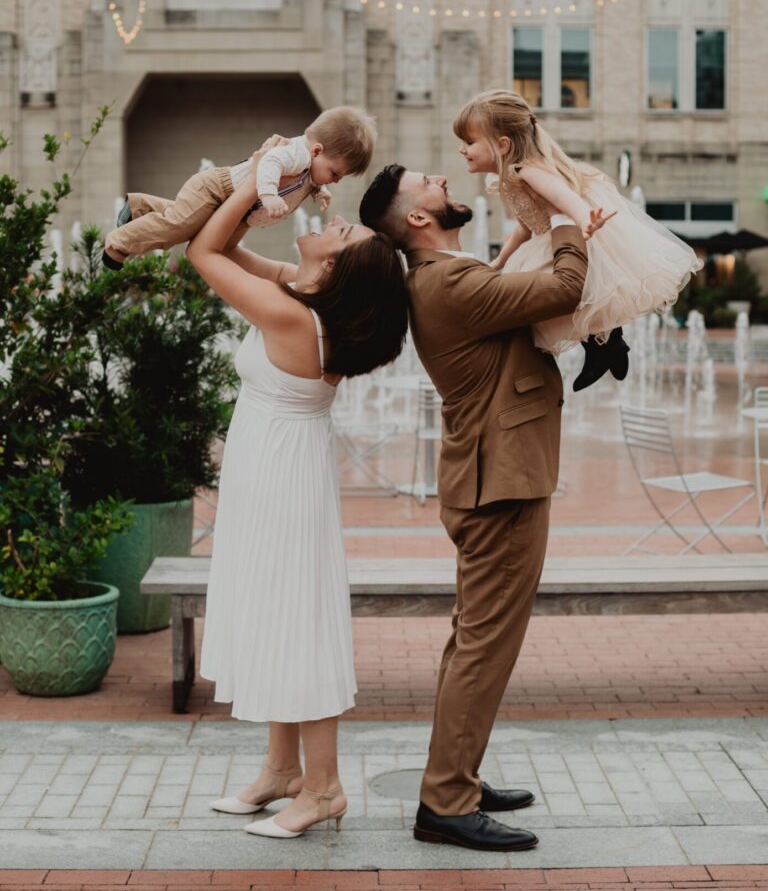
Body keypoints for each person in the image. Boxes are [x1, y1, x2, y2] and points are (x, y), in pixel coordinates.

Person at [359, 163, 605, 853]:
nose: (441, 178)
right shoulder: (448, 282)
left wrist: (516, 237)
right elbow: (565, 285)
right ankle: (446, 802)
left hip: (491, 478)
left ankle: (455, 774)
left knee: (473, 640)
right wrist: (561, 211)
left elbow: (495, 291)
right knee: (484, 648)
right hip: (501, 485)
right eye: (427, 182)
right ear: (416, 219)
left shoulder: (443, 276)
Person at [186, 145, 408, 841]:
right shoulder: (303, 295)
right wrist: (274, 194)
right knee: (274, 612)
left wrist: (256, 174)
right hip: (271, 469)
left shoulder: (296, 320)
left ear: (335, 267)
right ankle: (282, 771)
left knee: (298, 619)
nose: (328, 219)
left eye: (340, 232)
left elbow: (204, 251)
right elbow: (233, 246)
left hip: (283, 478)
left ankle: (325, 787)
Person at [454, 89, 702, 391]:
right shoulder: (504, 180)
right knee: (546, 301)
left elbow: (565, 197)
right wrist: (498, 262)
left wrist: (586, 220)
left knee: (555, 299)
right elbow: (522, 229)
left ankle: (606, 343)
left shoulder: (527, 171)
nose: (462, 149)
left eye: (469, 142)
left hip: (570, 237)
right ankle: (605, 345)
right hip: (551, 240)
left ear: (502, 145)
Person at [102, 106, 377, 268]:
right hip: (218, 190)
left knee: (203, 235)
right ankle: (118, 243)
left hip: (241, 214)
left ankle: (138, 206)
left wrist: (320, 190)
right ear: (316, 151)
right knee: (177, 228)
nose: (335, 180)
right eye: (334, 173)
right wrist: (268, 194)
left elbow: (308, 180)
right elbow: (270, 161)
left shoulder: (311, 167)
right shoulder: (296, 154)